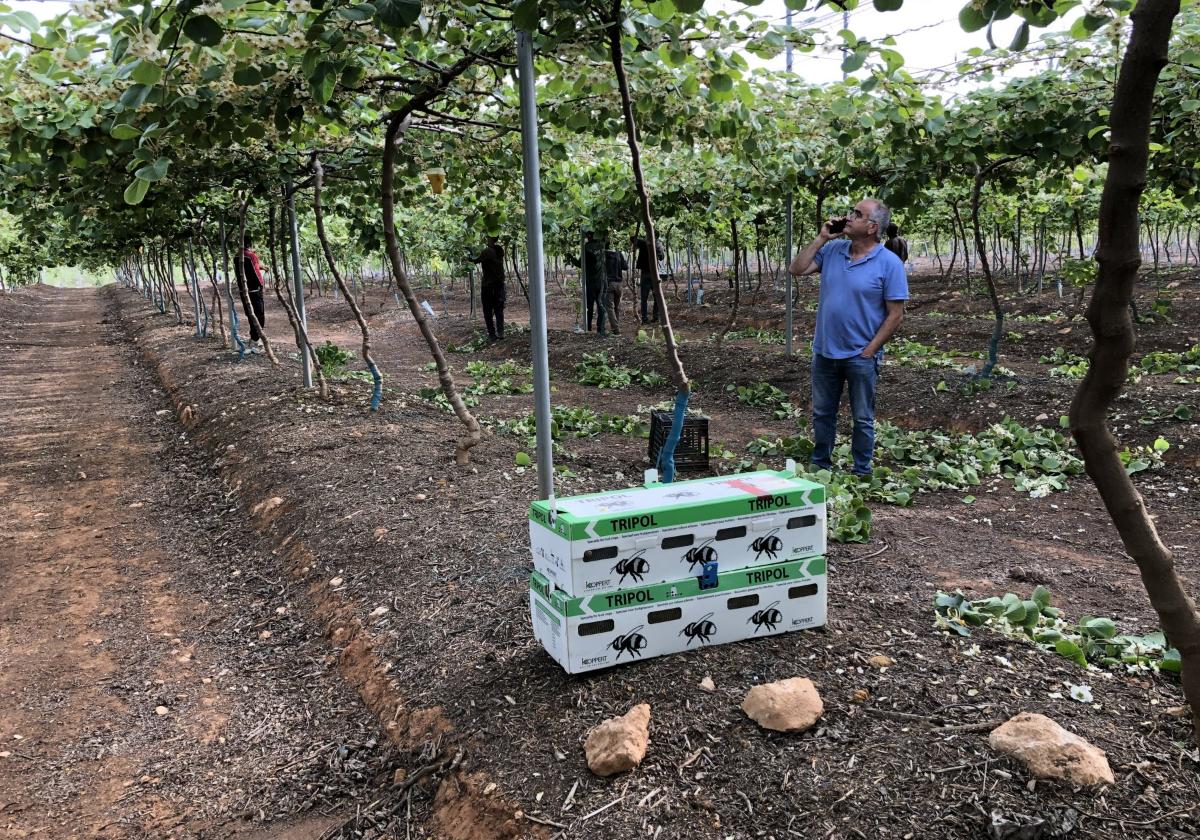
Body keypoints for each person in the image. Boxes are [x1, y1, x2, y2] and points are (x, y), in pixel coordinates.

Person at [788, 198, 908, 477]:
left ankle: (862, 470)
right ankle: (821, 466)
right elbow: (796, 269)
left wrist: (870, 351)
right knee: (822, 414)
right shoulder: (833, 250)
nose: (848, 216)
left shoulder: (889, 263)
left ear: (871, 227)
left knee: (862, 418)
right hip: (825, 351)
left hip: (860, 356)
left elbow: (896, 315)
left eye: (857, 214)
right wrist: (820, 238)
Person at [471, 236, 506, 340]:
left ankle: (492, 334)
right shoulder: (499, 249)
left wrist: (470, 253)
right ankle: (501, 332)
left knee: (487, 310)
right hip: (499, 284)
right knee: (499, 309)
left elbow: (475, 260)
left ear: (490, 239)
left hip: (488, 285)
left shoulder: (487, 251)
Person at [236, 234, 267, 353]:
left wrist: (261, 267)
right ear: (250, 244)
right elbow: (255, 273)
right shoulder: (251, 256)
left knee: (250, 314)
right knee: (259, 314)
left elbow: (251, 269)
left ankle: (253, 338)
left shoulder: (237, 256)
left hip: (243, 290)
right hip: (254, 290)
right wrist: (261, 285)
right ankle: (256, 340)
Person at [634, 235, 664, 323]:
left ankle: (644, 318)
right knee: (657, 297)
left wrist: (642, 238)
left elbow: (633, 238)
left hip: (645, 274)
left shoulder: (644, 243)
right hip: (655, 274)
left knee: (644, 298)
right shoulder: (658, 244)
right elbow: (662, 257)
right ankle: (656, 317)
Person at [582, 230, 608, 334]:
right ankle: (600, 329)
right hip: (602, 281)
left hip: (591, 282)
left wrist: (571, 258)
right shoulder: (602, 244)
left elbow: (581, 264)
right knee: (601, 304)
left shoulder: (587, 247)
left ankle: (588, 328)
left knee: (589, 306)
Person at [603, 245, 627, 335]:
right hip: (619, 284)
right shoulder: (619, 253)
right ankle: (616, 327)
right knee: (616, 307)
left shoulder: (603, 255)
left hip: (609, 283)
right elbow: (625, 267)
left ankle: (616, 329)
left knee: (609, 307)